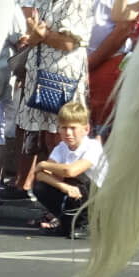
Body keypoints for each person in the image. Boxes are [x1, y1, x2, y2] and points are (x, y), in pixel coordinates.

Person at [6, 0, 94, 201]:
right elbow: (35, 33)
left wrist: (42, 34)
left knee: (62, 133)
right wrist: (39, 34)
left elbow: (68, 43)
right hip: (38, 72)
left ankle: (64, 191)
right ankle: (30, 187)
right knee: (34, 133)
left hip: (62, 77)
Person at [80, 0, 136, 129]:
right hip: (76, 63)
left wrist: (90, 64)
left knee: (102, 129)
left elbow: (124, 29)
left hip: (107, 64)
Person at [30, 100, 106, 239]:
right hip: (74, 194)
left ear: (86, 129)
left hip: (98, 199)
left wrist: (43, 164)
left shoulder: (93, 147)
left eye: (73, 128)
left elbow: (71, 171)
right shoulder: (60, 148)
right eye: (63, 128)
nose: (68, 133)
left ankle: (87, 224)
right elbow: (41, 176)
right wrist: (63, 186)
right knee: (41, 187)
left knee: (76, 178)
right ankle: (66, 222)